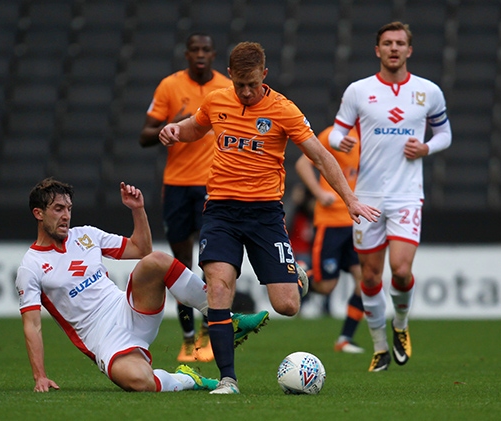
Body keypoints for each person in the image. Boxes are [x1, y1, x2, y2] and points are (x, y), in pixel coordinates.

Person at [159, 41, 381, 394]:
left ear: (265, 74)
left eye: (252, 84)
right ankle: (228, 378)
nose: (246, 92)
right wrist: (173, 131)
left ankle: (295, 274)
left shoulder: (283, 110)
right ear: (229, 75)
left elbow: (321, 157)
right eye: (239, 84)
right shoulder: (217, 100)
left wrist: (350, 199)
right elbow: (193, 128)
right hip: (220, 211)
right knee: (218, 288)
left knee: (287, 305)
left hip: (264, 215)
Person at [15, 178, 268, 392]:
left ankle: (225, 318)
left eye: (68, 208)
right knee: (139, 380)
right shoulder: (31, 266)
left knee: (155, 259)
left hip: (127, 308)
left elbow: (141, 249)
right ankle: (189, 379)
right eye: (58, 209)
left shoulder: (86, 235)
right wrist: (40, 376)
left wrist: (137, 209)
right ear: (38, 213)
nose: (66, 215)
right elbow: (33, 326)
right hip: (102, 339)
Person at [329, 22, 452, 372]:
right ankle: (380, 347)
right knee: (369, 277)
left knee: (400, 270)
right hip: (366, 196)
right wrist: (343, 141)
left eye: (400, 43)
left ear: (409, 50)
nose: (394, 48)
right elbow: (335, 134)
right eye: (387, 43)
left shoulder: (428, 92)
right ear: (377, 50)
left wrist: (426, 147)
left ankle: (400, 324)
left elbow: (445, 134)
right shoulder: (359, 91)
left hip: (407, 195)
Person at [139, 33, 231, 363]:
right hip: (177, 185)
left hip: (213, 185)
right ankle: (188, 337)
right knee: (182, 266)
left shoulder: (226, 87)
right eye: (196, 50)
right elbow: (145, 136)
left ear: (214, 53)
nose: (201, 54)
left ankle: (207, 333)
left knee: (210, 264)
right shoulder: (169, 87)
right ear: (187, 54)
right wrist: (173, 125)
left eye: (207, 49)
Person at [295, 126, 365, 353]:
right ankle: (299, 275)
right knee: (326, 287)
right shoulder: (334, 134)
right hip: (332, 220)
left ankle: (345, 338)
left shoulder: (372, 135)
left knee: (365, 281)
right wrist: (318, 193)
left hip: (357, 223)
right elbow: (302, 164)